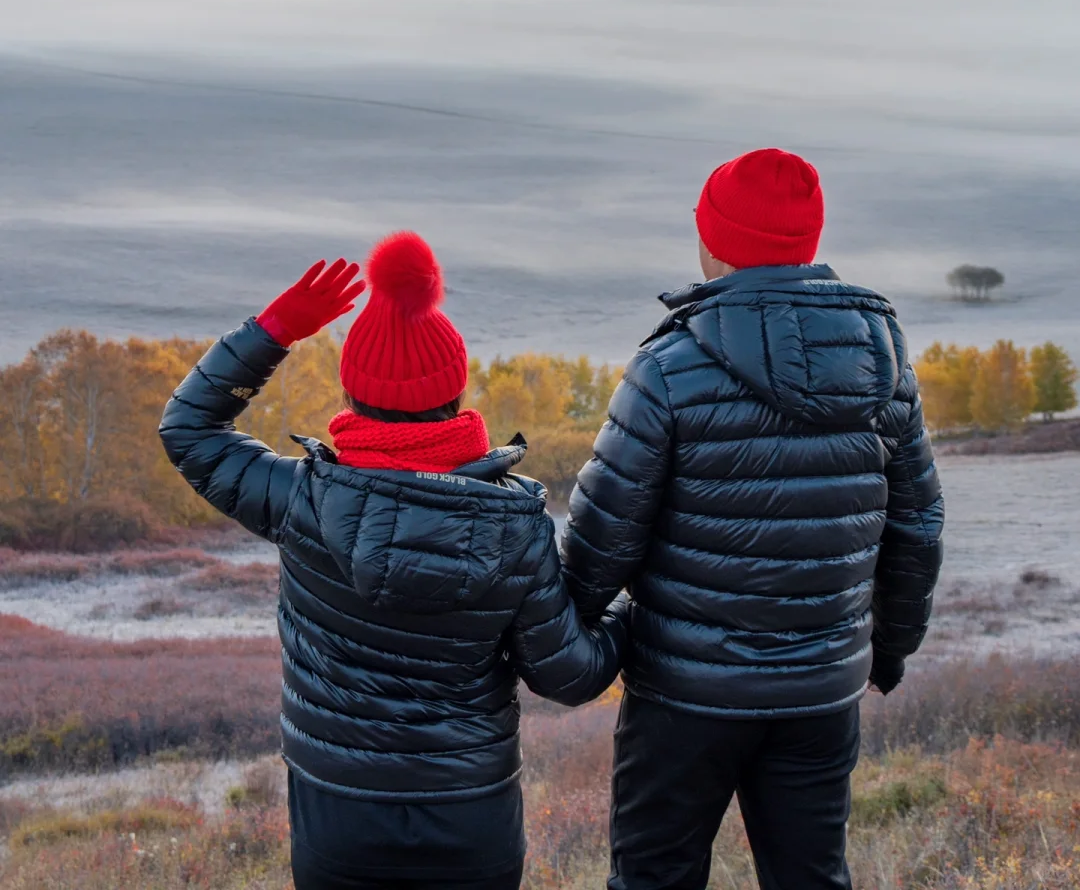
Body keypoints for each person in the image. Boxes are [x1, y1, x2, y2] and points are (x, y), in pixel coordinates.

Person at [160, 231, 625, 890]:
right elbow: (569, 675)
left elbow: (189, 429)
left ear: (352, 393)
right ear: (456, 391)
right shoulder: (514, 525)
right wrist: (640, 608)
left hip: (337, 816)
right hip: (471, 820)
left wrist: (275, 330)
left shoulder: (302, 500)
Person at [561, 147, 944, 890]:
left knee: (653, 879)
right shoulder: (884, 364)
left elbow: (604, 532)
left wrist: (565, 640)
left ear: (713, 243)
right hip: (822, 692)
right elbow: (918, 530)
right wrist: (886, 652)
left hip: (684, 697)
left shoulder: (669, 367)